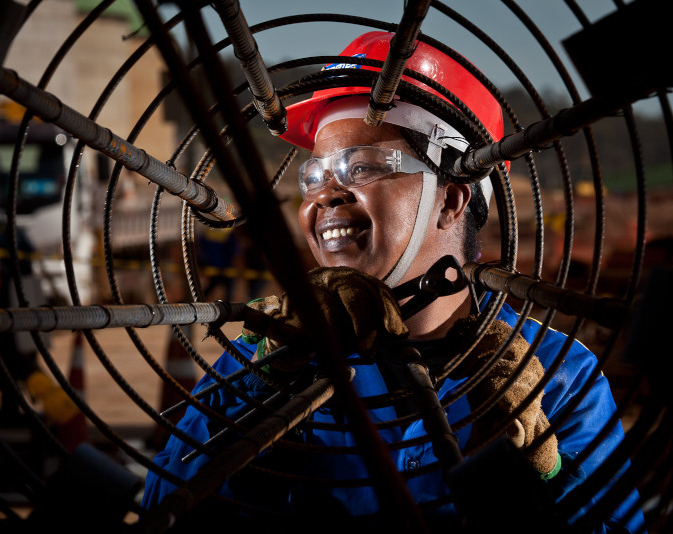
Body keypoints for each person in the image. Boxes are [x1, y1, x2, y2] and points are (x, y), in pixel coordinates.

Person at [141, 31, 644, 532]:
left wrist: (544, 481)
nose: (325, 197)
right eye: (314, 177)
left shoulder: (555, 375)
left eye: (361, 168)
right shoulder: (268, 355)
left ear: (450, 200)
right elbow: (165, 510)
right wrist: (261, 389)